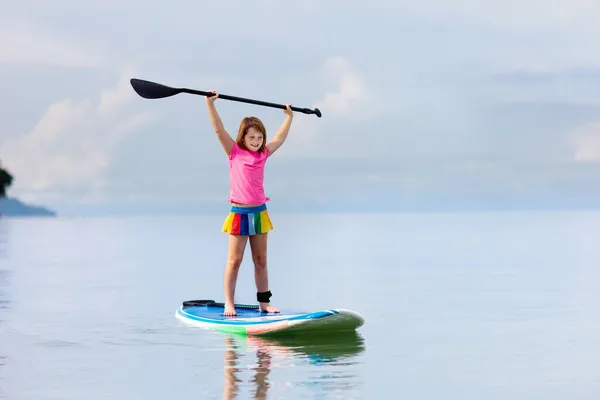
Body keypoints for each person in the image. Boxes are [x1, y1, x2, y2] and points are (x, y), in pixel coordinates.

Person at [205, 90, 294, 317]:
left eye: (259, 137)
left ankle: (264, 303)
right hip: (239, 213)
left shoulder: (263, 153)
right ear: (242, 138)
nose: (256, 141)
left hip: (259, 213)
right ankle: (229, 303)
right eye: (252, 137)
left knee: (261, 260)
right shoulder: (233, 152)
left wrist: (288, 117)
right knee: (234, 261)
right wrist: (210, 104)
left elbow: (280, 139)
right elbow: (218, 130)